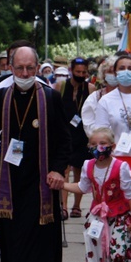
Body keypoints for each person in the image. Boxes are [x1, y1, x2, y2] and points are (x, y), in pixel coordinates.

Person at [0, 46, 71, 262]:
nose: (25, 73)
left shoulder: (51, 98)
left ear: (37, 66)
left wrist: (58, 169)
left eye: (30, 68)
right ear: (10, 67)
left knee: (34, 236)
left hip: (41, 180)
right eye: (19, 68)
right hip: (10, 179)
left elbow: (64, 140)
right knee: (15, 236)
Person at [86, 55, 131, 262]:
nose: (126, 72)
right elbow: (101, 133)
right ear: (115, 73)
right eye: (121, 68)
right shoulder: (107, 100)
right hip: (117, 163)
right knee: (119, 209)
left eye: (130, 68)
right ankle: (119, 248)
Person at [63, 127, 131, 262]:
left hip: (120, 216)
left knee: (119, 252)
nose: (99, 147)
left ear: (112, 146)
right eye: (94, 144)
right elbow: (83, 187)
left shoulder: (121, 167)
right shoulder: (88, 165)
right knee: (100, 255)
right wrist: (62, 184)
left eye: (103, 144)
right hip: (97, 218)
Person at [53, 57, 96, 220]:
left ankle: (76, 205)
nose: (81, 74)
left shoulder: (90, 88)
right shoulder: (61, 86)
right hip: (64, 132)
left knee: (80, 170)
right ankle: (63, 206)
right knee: (64, 169)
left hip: (82, 135)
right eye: (78, 72)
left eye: (84, 72)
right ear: (71, 71)